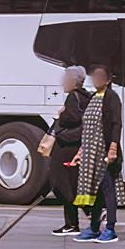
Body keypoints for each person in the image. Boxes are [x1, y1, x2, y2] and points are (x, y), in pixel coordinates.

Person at [75, 64, 124, 241]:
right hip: (91, 154)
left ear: (108, 80)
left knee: (108, 189)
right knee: (95, 191)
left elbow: (116, 124)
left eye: (100, 76)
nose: (96, 80)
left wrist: (113, 149)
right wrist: (82, 150)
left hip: (104, 152)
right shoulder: (93, 97)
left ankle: (110, 228)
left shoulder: (112, 97)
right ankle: (94, 227)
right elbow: (87, 127)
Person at [43, 67, 87, 236]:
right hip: (75, 144)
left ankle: (82, 216)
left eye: (66, 78)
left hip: (66, 145)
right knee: (72, 183)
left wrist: (61, 115)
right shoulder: (85, 95)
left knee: (60, 182)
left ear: (73, 81)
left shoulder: (73, 97)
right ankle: (73, 222)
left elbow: (73, 117)